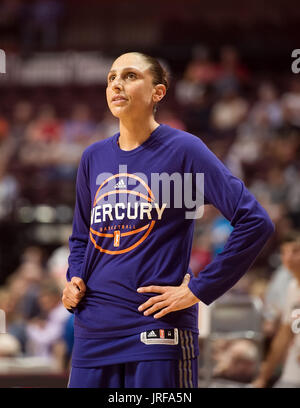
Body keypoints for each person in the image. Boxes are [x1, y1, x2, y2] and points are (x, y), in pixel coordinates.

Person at [62, 52, 274, 388]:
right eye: (111, 77)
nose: (117, 83)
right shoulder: (93, 157)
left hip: (157, 331)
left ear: (158, 92)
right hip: (94, 330)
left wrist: (200, 289)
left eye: (130, 76)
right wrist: (73, 279)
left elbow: (255, 221)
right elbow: (80, 239)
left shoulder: (185, 150)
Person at [252, 233, 300, 388]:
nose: (289, 257)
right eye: (285, 252)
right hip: (293, 370)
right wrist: (263, 377)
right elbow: (285, 334)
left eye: (296, 251)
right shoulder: (292, 288)